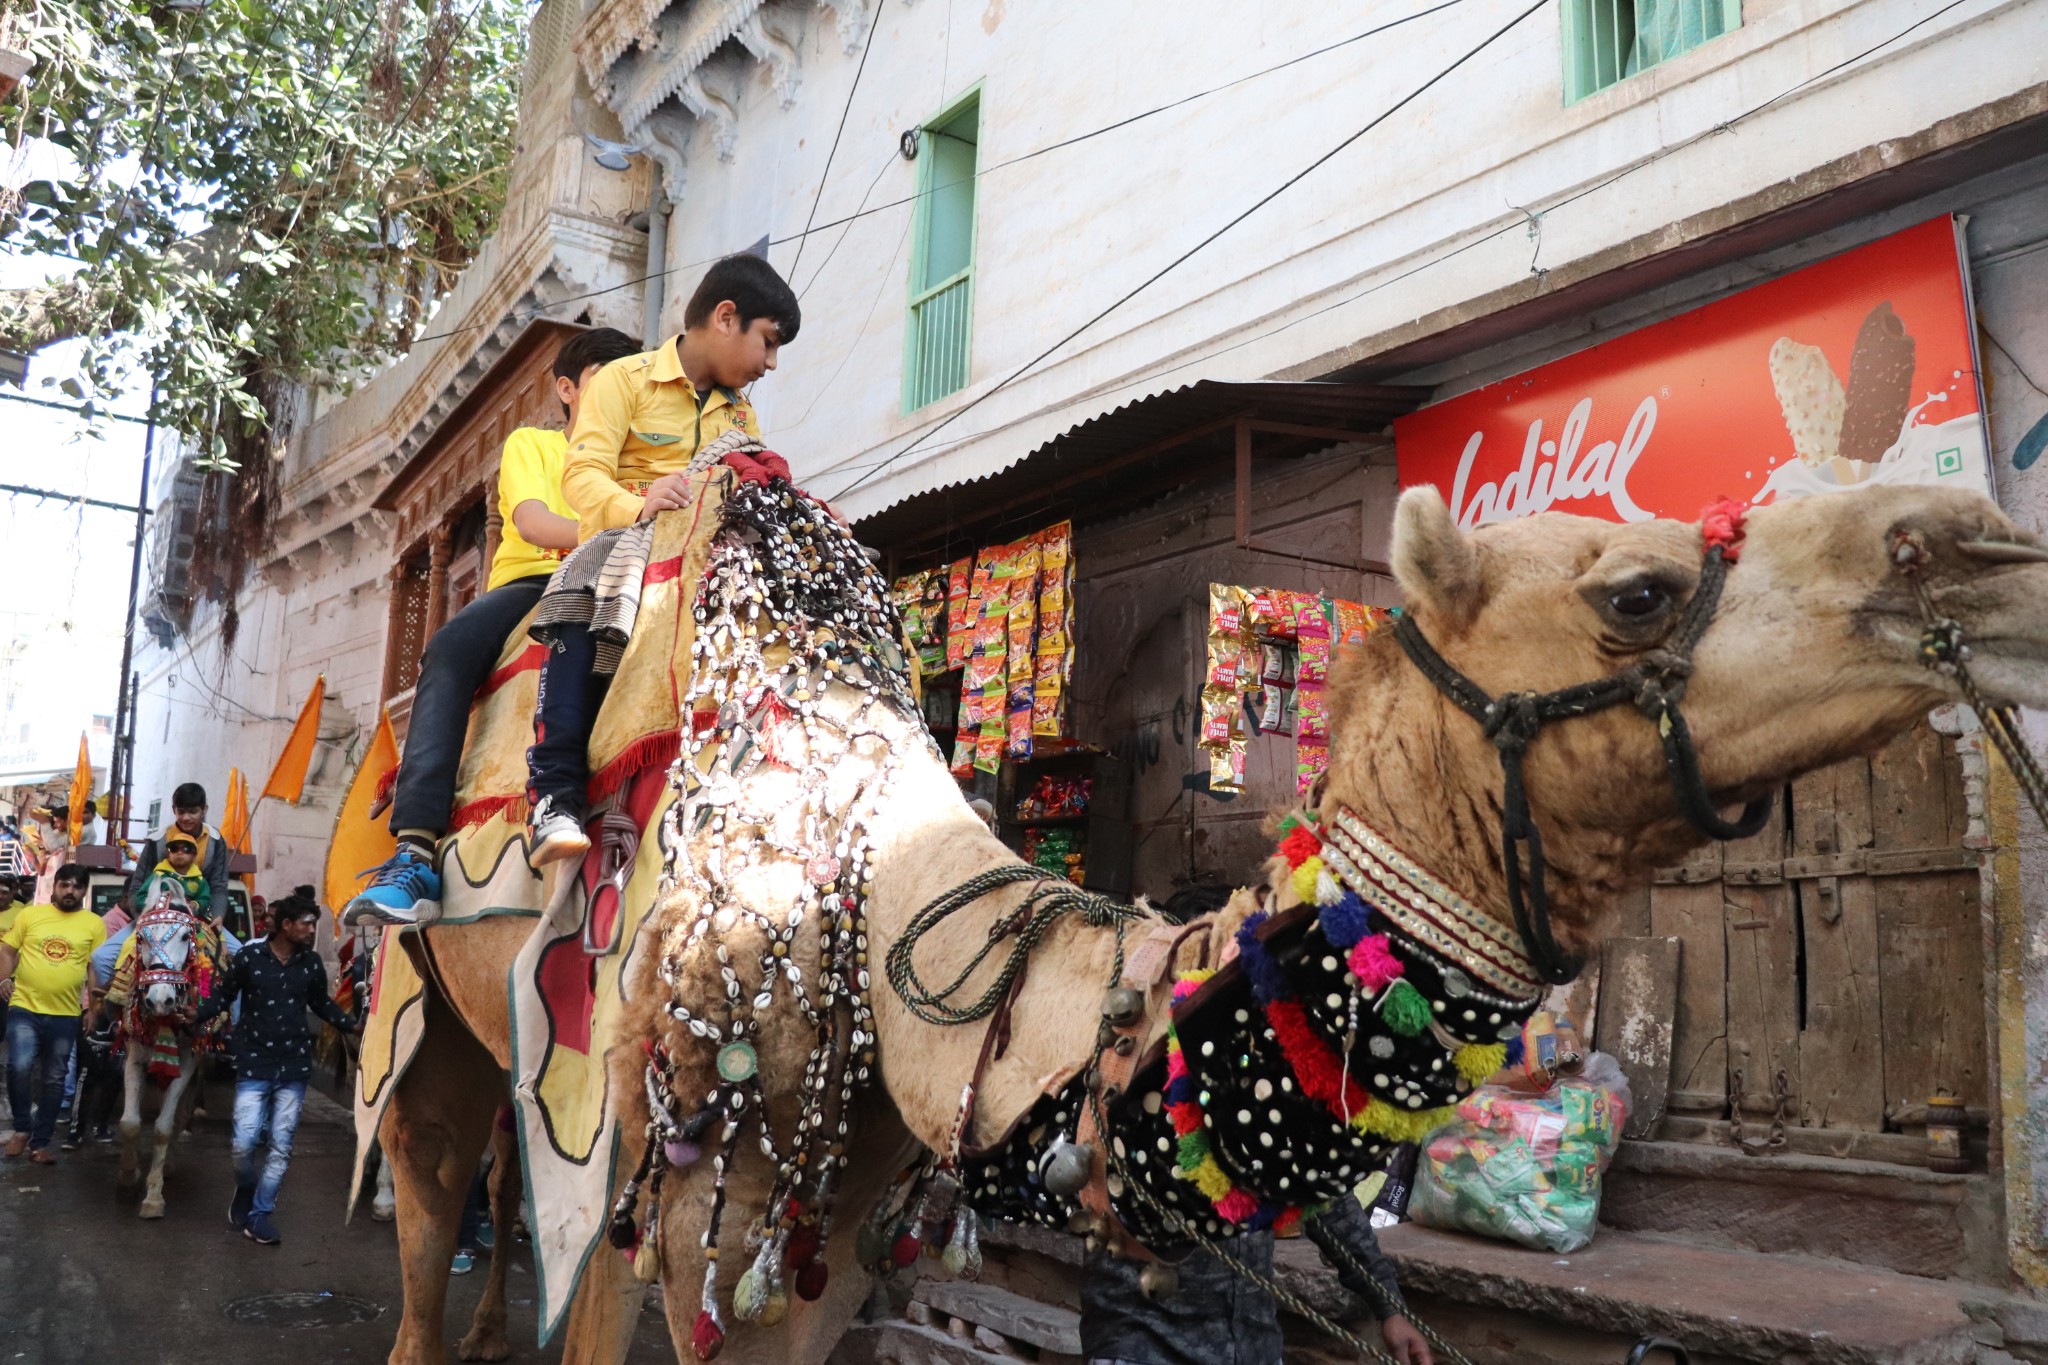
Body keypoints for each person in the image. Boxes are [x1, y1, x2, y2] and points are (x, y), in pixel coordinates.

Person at [341, 327, 646, 928]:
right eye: (605, 382)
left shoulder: (644, 457)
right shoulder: (534, 444)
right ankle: (416, 848)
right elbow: (532, 522)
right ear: (567, 389)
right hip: (536, 583)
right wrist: (625, 524)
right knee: (449, 652)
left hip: (623, 579)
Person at [523, 254, 798, 867]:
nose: (770, 364)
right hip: (622, 546)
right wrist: (640, 504)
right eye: (768, 342)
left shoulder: (740, 414)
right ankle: (553, 793)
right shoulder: (623, 380)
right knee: (583, 592)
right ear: (726, 318)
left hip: (707, 555)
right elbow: (583, 477)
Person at [1079, 1196, 1432, 1365]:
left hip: (1253, 1347)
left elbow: (1322, 1195)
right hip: (1144, 1345)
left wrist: (1388, 1305)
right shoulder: (1132, 1070)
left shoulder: (1269, 1076)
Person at [190, 893, 356, 1244]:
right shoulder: (250, 957)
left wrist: (350, 1024)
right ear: (286, 926)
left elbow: (321, 1003)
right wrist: (197, 1014)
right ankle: (246, 1188)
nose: (313, 931)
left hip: (294, 1067)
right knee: (243, 1144)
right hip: (254, 1063)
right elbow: (223, 995)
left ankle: (261, 1214)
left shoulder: (310, 964)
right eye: (307, 924)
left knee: (281, 1146)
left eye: (315, 924)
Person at [0, 864, 106, 1162]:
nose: (70, 891)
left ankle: (41, 1142)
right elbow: (8, 950)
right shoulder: (30, 915)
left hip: (65, 1014)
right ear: (55, 886)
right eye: (65, 885)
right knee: (18, 1066)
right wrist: (3, 979)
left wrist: (91, 1008)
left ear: (84, 891)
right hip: (25, 1006)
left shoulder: (94, 924)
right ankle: (22, 1129)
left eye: (76, 886)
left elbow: (94, 967)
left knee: (55, 1078)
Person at [127, 783, 230, 912]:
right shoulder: (157, 842)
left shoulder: (216, 841)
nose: (186, 818)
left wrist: (217, 916)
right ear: (173, 809)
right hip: (157, 916)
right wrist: (144, 919)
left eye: (193, 812)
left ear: (204, 809)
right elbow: (137, 888)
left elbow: (218, 887)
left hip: (202, 917)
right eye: (181, 812)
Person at [132, 837, 211, 915]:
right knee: (128, 928)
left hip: (191, 919)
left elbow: (205, 899)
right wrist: (159, 905)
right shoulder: (159, 875)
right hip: (158, 918)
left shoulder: (199, 880)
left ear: (194, 855)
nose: (179, 852)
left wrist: (194, 905)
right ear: (168, 854)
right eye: (174, 849)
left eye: (186, 849)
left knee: (219, 928)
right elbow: (141, 898)